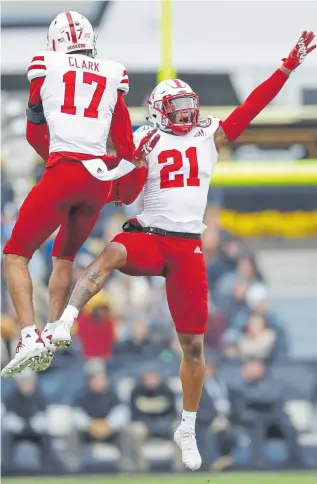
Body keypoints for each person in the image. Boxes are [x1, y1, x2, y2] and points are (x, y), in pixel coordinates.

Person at [50, 31, 315, 470]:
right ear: (157, 113)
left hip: (187, 247)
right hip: (150, 235)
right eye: (176, 110)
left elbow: (252, 108)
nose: (186, 116)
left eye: (188, 108)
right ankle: (65, 321)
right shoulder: (144, 140)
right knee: (113, 252)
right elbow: (112, 171)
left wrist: (287, 66)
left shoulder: (209, 132)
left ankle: (187, 425)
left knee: (193, 347)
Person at [1, 11, 148, 378]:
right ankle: (55, 327)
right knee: (64, 255)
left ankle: (29, 335)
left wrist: (54, 166)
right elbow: (126, 145)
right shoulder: (113, 74)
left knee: (15, 255)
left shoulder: (45, 64)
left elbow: (36, 133)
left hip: (64, 169)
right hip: (97, 178)